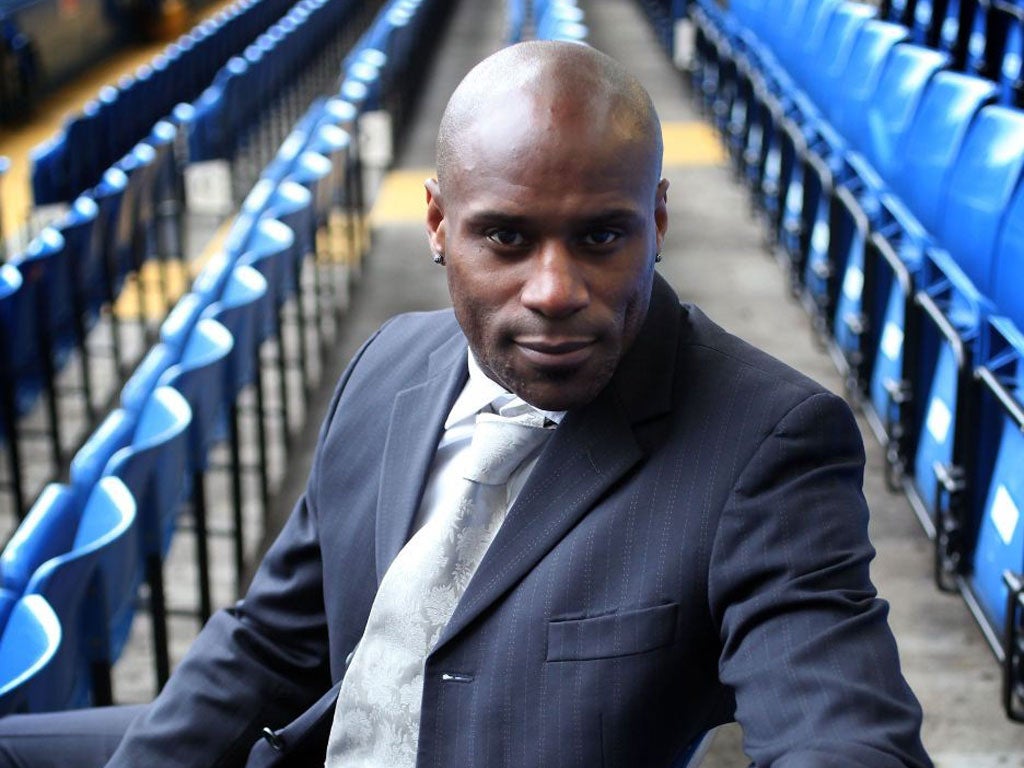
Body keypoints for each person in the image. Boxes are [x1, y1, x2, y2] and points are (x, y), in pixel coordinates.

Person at [0, 40, 931, 767]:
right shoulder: (390, 364)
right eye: (507, 238)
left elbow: (837, 721)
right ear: (440, 225)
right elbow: (270, 645)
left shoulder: (766, 444)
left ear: (657, 220)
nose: (555, 288)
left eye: (603, 235)